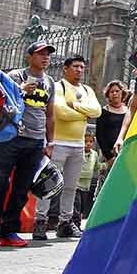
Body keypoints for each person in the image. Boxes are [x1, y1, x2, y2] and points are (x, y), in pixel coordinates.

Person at [0, 41, 56, 247]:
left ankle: (9, 231)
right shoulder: (14, 76)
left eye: (48, 54)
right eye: (40, 54)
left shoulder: (49, 82)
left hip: (36, 141)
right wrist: (21, 90)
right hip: (11, 137)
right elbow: (2, 102)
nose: (45, 58)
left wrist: (50, 141)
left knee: (22, 188)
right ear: (29, 57)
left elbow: (50, 113)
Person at [42, 55, 100, 238]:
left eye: (82, 67)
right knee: (48, 183)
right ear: (65, 68)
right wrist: (84, 113)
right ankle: (40, 220)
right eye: (76, 66)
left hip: (78, 144)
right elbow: (60, 111)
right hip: (58, 143)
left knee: (71, 187)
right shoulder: (58, 87)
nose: (79, 70)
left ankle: (65, 222)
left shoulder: (87, 90)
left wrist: (74, 105)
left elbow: (97, 111)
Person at [95, 80, 129, 181]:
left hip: (125, 153)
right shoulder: (104, 111)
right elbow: (100, 135)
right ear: (108, 95)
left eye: (117, 91)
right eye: (112, 92)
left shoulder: (128, 112)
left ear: (122, 93)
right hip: (109, 155)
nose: (114, 94)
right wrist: (109, 157)